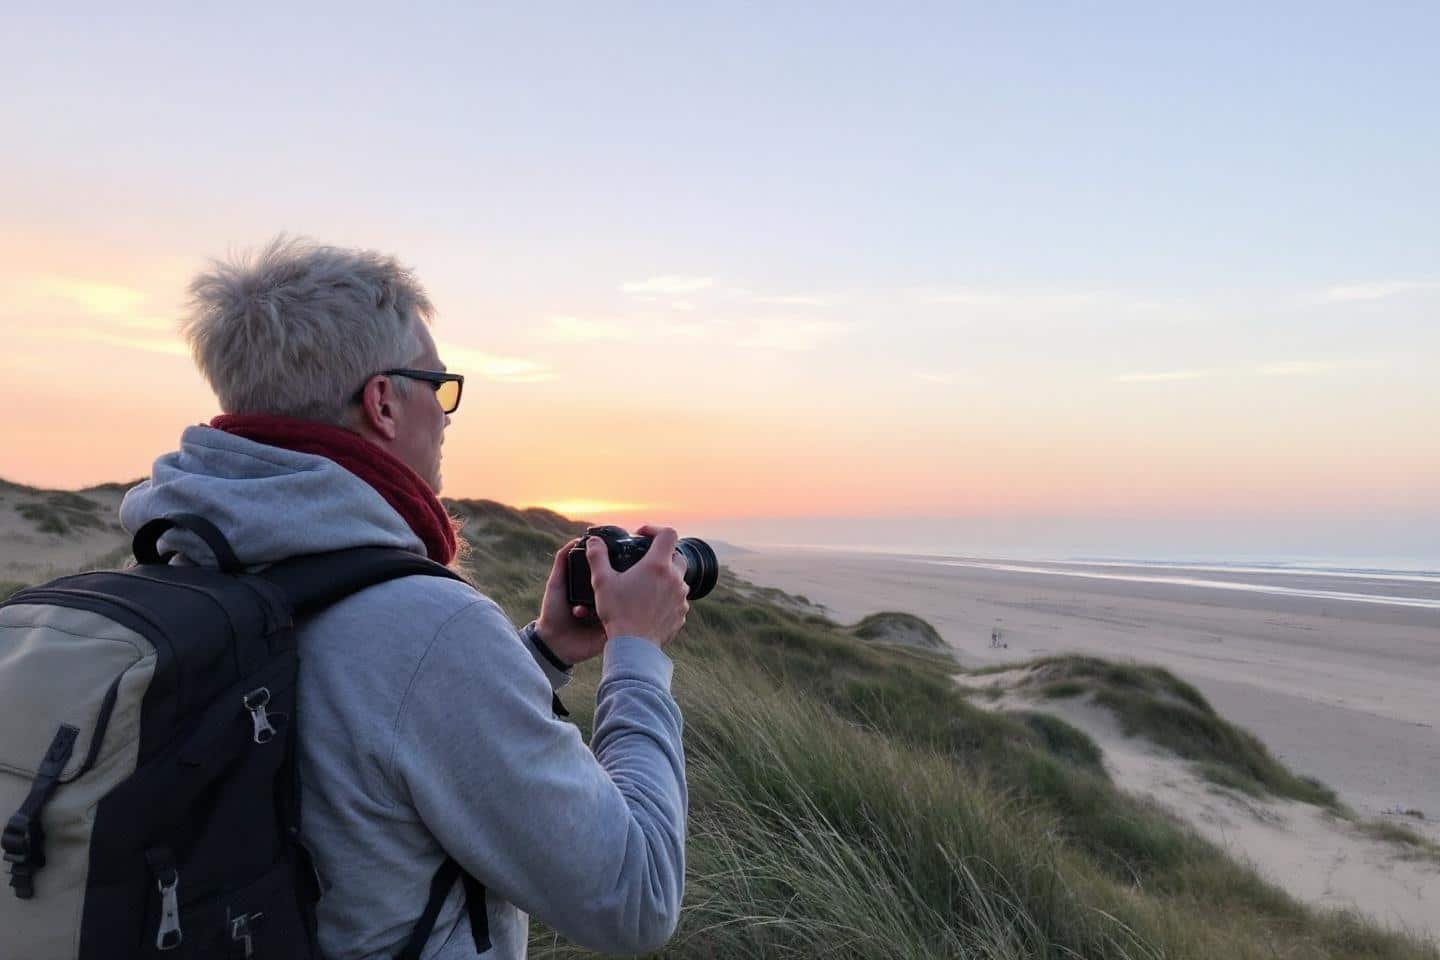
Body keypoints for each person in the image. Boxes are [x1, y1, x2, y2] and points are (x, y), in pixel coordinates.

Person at [118, 237, 689, 958]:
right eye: (439, 387)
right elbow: (636, 899)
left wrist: (539, 654)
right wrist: (636, 653)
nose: (447, 416)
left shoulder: (171, 569)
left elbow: (355, 720)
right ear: (384, 402)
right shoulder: (430, 630)